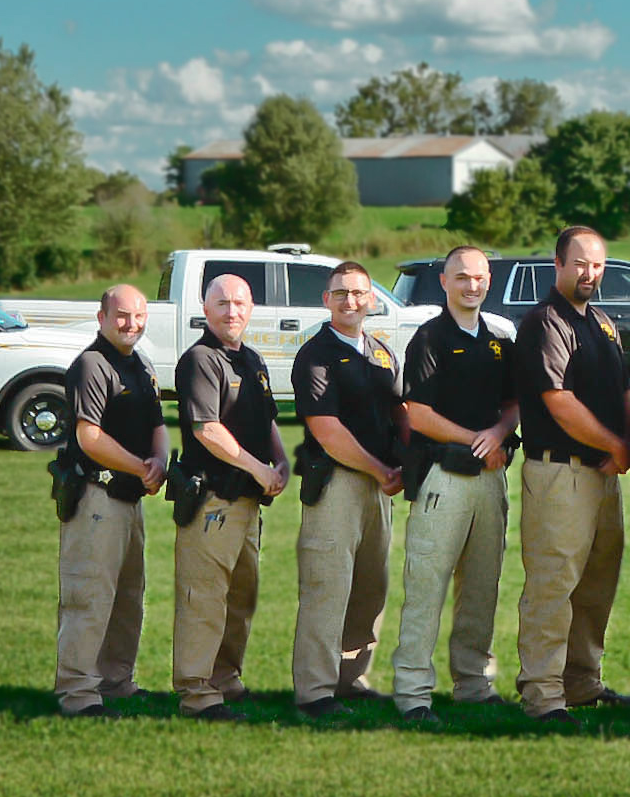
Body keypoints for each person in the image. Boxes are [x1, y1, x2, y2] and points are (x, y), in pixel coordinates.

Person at [512, 226, 630, 722]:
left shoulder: (603, 322)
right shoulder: (545, 323)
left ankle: (581, 682)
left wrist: (625, 447)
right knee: (553, 584)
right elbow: (558, 401)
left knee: (596, 583)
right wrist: (615, 444)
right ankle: (542, 694)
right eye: (581, 264)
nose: (591, 274)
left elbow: (625, 390)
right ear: (558, 265)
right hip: (559, 474)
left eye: (598, 265)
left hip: (604, 474)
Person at [391, 244, 517, 722]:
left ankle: (473, 683)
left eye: (479, 277)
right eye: (461, 277)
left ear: (489, 282)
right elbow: (418, 413)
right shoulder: (429, 339)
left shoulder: (498, 340)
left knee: (482, 587)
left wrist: (499, 434)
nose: (471, 285)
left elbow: (512, 404)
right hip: (444, 476)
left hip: (490, 479)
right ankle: (413, 694)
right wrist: (478, 440)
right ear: (444, 283)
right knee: (427, 585)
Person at [287, 259, 401, 721]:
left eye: (358, 293)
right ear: (326, 301)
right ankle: (315, 692)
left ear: (372, 300)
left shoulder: (381, 352)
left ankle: (351, 678)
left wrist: (404, 466)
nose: (350, 301)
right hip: (337, 484)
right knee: (326, 587)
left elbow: (399, 414)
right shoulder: (315, 355)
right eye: (340, 294)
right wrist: (379, 468)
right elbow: (326, 429)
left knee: (371, 587)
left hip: (380, 488)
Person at [172, 263, 286, 720]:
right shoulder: (201, 360)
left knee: (242, 596)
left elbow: (269, 420)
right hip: (214, 499)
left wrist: (281, 462)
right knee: (204, 596)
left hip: (248, 500)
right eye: (222, 302)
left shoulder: (252, 361)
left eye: (239, 303)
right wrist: (260, 469)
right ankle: (197, 692)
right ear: (205, 309)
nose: (231, 310)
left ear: (251, 309)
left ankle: (225, 678)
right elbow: (206, 429)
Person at [53, 283, 168, 717]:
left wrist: (159, 460)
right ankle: (78, 693)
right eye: (122, 315)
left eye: (139, 316)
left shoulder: (140, 364)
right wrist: (141, 467)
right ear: (101, 317)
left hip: (130, 499)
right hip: (96, 499)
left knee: (127, 597)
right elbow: (89, 436)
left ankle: (117, 682)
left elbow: (158, 421)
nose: (131, 324)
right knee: (89, 597)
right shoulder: (91, 365)